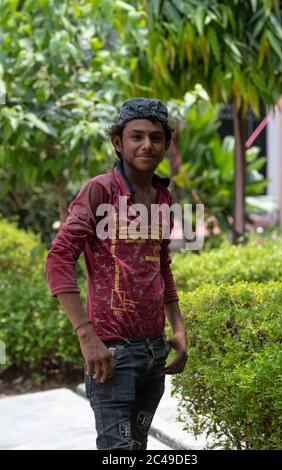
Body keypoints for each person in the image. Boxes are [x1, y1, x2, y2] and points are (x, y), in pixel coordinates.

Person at [45, 97, 188, 450]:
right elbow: (59, 258)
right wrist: (86, 336)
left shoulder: (162, 197)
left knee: (137, 448)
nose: (147, 145)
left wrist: (179, 328)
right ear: (117, 142)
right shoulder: (101, 190)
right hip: (112, 356)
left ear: (167, 143)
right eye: (136, 136)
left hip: (155, 355)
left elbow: (161, 264)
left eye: (156, 137)